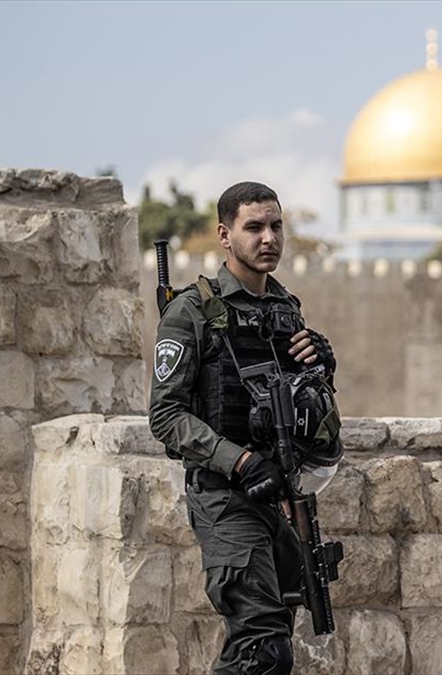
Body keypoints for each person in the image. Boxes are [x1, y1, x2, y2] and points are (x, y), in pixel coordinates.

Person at [149, 181, 340, 675]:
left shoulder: (285, 309)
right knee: (262, 650)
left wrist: (322, 368)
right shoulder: (191, 311)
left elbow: (303, 413)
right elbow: (166, 417)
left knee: (271, 644)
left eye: (276, 225)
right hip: (226, 499)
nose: (268, 238)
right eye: (253, 227)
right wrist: (240, 460)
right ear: (224, 235)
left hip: (281, 500)